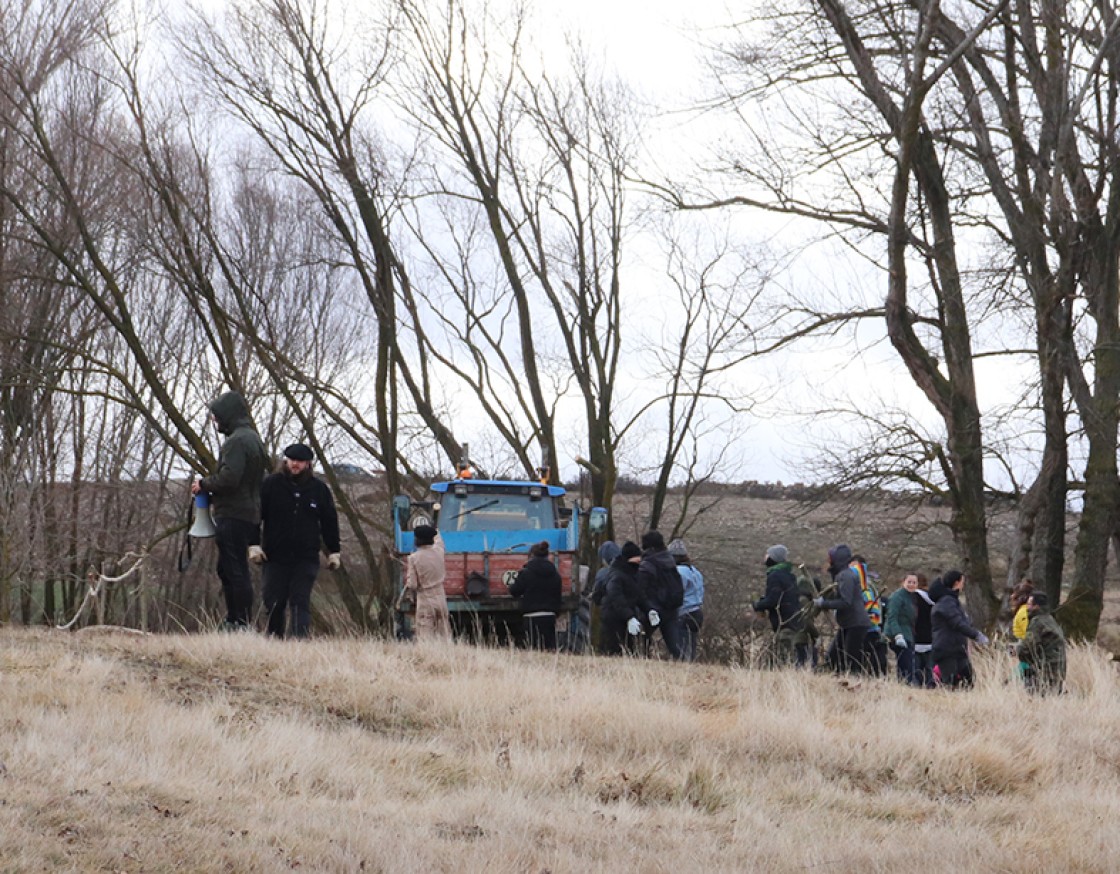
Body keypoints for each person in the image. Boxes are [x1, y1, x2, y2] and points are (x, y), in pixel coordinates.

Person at [192, 391, 270, 631]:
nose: (215, 422)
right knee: (226, 568)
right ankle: (235, 619)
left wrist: (203, 484)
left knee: (234, 569)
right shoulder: (253, 438)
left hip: (234, 513)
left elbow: (229, 478)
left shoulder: (236, 442)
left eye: (216, 417)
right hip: (249, 513)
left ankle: (239, 621)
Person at [253, 443, 340, 639]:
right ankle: (274, 640)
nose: (295, 465)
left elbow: (329, 521)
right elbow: (256, 515)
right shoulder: (270, 485)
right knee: (274, 601)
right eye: (292, 460)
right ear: (285, 461)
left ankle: (299, 642)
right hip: (274, 555)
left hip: (306, 556)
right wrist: (254, 544)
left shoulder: (319, 490)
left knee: (300, 600)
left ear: (308, 464)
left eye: (300, 462)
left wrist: (333, 551)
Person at [815, 544, 872, 674]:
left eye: (830, 558)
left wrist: (824, 604)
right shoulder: (841, 575)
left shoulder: (845, 576)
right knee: (834, 657)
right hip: (849, 623)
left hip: (855, 623)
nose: (828, 561)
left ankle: (854, 685)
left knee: (851, 660)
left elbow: (846, 602)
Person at [931, 569, 989, 687]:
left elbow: (963, 622)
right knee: (950, 683)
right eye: (962, 581)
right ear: (956, 583)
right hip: (947, 649)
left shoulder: (953, 601)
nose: (963, 584)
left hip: (958, 649)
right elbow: (957, 623)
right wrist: (976, 635)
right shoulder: (947, 602)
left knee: (968, 681)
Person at [753, 544, 804, 666]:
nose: (765, 557)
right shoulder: (788, 575)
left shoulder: (774, 575)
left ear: (774, 558)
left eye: (768, 554)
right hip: (793, 619)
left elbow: (773, 600)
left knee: (783, 657)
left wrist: (758, 605)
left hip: (784, 621)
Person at [637, 531, 685, 659]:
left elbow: (640, 589)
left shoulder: (647, 564)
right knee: (675, 646)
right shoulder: (670, 560)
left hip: (653, 609)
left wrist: (646, 608)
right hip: (671, 608)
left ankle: (643, 661)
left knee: (640, 642)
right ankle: (685, 667)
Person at [508, 541, 564, 650]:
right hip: (549, 617)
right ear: (547, 556)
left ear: (531, 556)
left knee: (532, 650)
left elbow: (514, 591)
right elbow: (558, 597)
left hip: (531, 617)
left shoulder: (526, 573)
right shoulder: (556, 575)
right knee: (549, 650)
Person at [592, 541, 644, 655]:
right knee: (623, 648)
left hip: (614, 615)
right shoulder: (629, 573)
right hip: (622, 615)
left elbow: (598, 595)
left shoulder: (605, 573)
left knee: (613, 648)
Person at [403, 524, 451, 641]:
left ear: (418, 540)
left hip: (425, 599)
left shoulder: (414, 558)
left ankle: (429, 657)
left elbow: (413, 584)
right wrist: (436, 530)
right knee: (444, 632)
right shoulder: (439, 551)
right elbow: (439, 541)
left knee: (425, 634)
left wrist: (409, 583)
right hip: (441, 598)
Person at [1017, 592, 1066, 695]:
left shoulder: (1037, 623)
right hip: (1059, 669)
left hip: (1043, 671)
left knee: (1036, 699)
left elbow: (1025, 648)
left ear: (1036, 606)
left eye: (1029, 604)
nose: (1027, 607)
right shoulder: (1050, 620)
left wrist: (1024, 660)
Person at [669, 539, 705, 662]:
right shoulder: (695, 571)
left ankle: (683, 671)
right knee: (691, 646)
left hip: (684, 613)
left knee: (681, 648)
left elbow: (676, 593)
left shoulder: (679, 572)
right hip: (697, 612)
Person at [883, 573, 918, 684]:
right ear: (903, 582)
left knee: (907, 662)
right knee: (905, 662)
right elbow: (892, 617)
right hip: (897, 634)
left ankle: (906, 683)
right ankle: (905, 684)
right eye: (909, 582)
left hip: (907, 633)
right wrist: (898, 635)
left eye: (914, 582)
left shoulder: (911, 597)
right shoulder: (897, 597)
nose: (911, 585)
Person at [912, 574, 936, 687]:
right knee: (930, 669)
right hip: (931, 638)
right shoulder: (933, 599)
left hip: (916, 637)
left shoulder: (912, 598)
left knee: (916, 669)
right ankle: (931, 685)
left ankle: (917, 686)